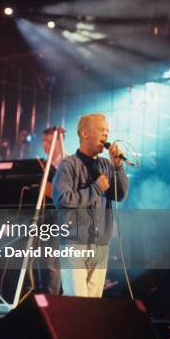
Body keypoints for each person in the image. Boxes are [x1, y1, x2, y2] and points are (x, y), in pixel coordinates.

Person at [52, 113, 128, 298]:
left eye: (107, 131)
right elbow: (62, 199)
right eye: (102, 130)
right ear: (85, 134)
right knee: (77, 304)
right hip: (75, 244)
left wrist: (117, 167)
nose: (106, 135)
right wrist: (95, 188)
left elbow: (120, 195)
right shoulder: (68, 165)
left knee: (93, 306)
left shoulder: (106, 165)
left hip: (101, 245)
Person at [36, 126, 66, 295]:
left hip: (60, 218)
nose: (45, 145)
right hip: (43, 216)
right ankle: (43, 296)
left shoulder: (68, 162)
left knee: (53, 263)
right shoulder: (44, 165)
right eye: (44, 141)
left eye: (49, 141)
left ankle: (53, 299)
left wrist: (47, 189)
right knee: (42, 260)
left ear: (59, 142)